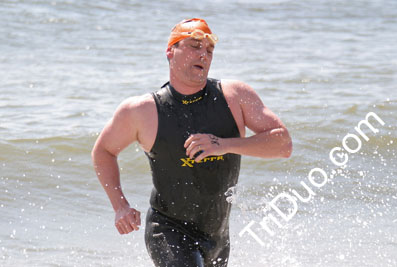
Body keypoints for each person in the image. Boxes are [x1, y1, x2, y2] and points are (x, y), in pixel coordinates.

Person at [92, 18, 292, 267]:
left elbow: (283, 144)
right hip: (167, 229)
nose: (204, 55)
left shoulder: (235, 96)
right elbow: (103, 151)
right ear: (170, 51)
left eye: (209, 50)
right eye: (195, 46)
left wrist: (225, 144)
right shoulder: (142, 111)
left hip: (217, 236)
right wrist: (120, 206)